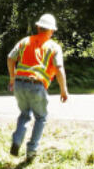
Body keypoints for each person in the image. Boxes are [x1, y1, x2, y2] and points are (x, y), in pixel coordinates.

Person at [7, 13, 69, 158]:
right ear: (52, 31)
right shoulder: (54, 47)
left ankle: (17, 140)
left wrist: (12, 77)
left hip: (19, 83)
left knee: (24, 114)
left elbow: (10, 58)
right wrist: (63, 89)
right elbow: (59, 68)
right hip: (37, 85)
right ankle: (31, 150)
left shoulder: (24, 41)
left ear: (38, 27)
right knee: (41, 117)